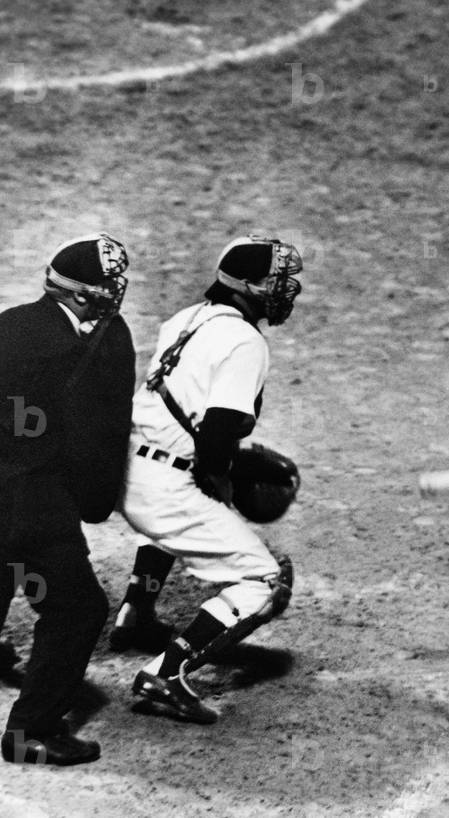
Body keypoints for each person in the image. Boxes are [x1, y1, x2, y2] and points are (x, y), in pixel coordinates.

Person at [112, 235, 301, 724]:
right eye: (277, 282)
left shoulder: (186, 317)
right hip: (163, 486)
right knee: (265, 579)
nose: (286, 290)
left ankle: (137, 611)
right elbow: (217, 429)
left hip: (124, 466)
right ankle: (168, 672)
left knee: (187, 515)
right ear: (248, 287)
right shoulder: (245, 341)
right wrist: (223, 481)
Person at [0, 233, 135, 765]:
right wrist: (91, 502)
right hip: (34, 498)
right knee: (78, 609)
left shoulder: (10, 323)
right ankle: (29, 732)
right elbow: (94, 440)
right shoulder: (93, 347)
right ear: (81, 296)